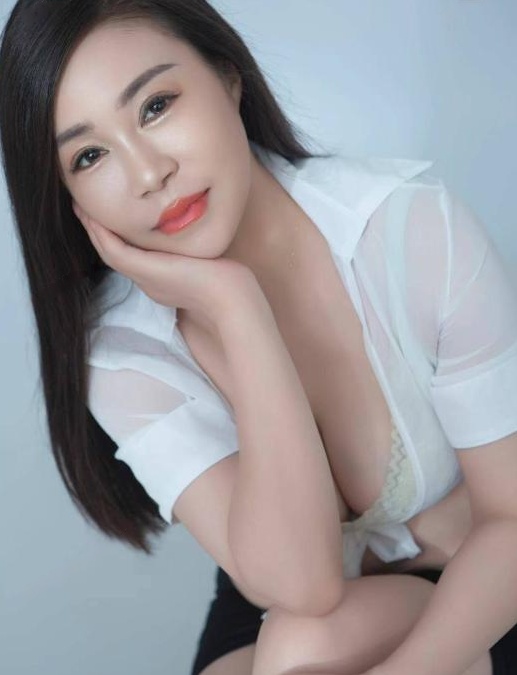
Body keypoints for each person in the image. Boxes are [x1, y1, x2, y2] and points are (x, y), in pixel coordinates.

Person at [1, 1, 516, 674]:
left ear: (227, 77)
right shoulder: (126, 355)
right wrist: (238, 307)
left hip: (485, 565)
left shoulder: (408, 231)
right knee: (295, 643)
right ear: (69, 199)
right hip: (289, 577)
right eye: (90, 155)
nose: (148, 173)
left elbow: (510, 521)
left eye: (155, 106)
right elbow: (302, 586)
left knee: (298, 652)